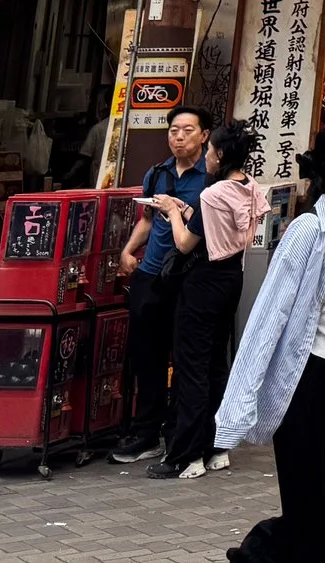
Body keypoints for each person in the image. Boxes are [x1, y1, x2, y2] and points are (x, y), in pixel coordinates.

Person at [216, 115, 325, 563]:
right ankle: (262, 552)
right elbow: (266, 319)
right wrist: (237, 409)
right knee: (314, 511)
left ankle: (258, 554)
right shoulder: (307, 232)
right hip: (303, 381)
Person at [158, 120, 263, 480]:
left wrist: (173, 212)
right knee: (217, 363)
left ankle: (186, 455)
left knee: (192, 368)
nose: (206, 157)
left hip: (204, 282)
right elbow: (216, 228)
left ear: (219, 154)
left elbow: (185, 243)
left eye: (210, 150)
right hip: (232, 277)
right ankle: (217, 447)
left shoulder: (213, 193)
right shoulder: (249, 186)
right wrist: (187, 213)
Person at [112, 104, 210, 463]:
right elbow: (148, 220)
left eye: (187, 130)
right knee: (147, 355)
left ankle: (180, 433)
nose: (179, 137)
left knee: (186, 359)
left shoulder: (212, 178)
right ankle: (146, 432)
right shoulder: (157, 173)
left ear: (204, 135)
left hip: (190, 278)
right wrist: (128, 250)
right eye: (173, 131)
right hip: (151, 275)